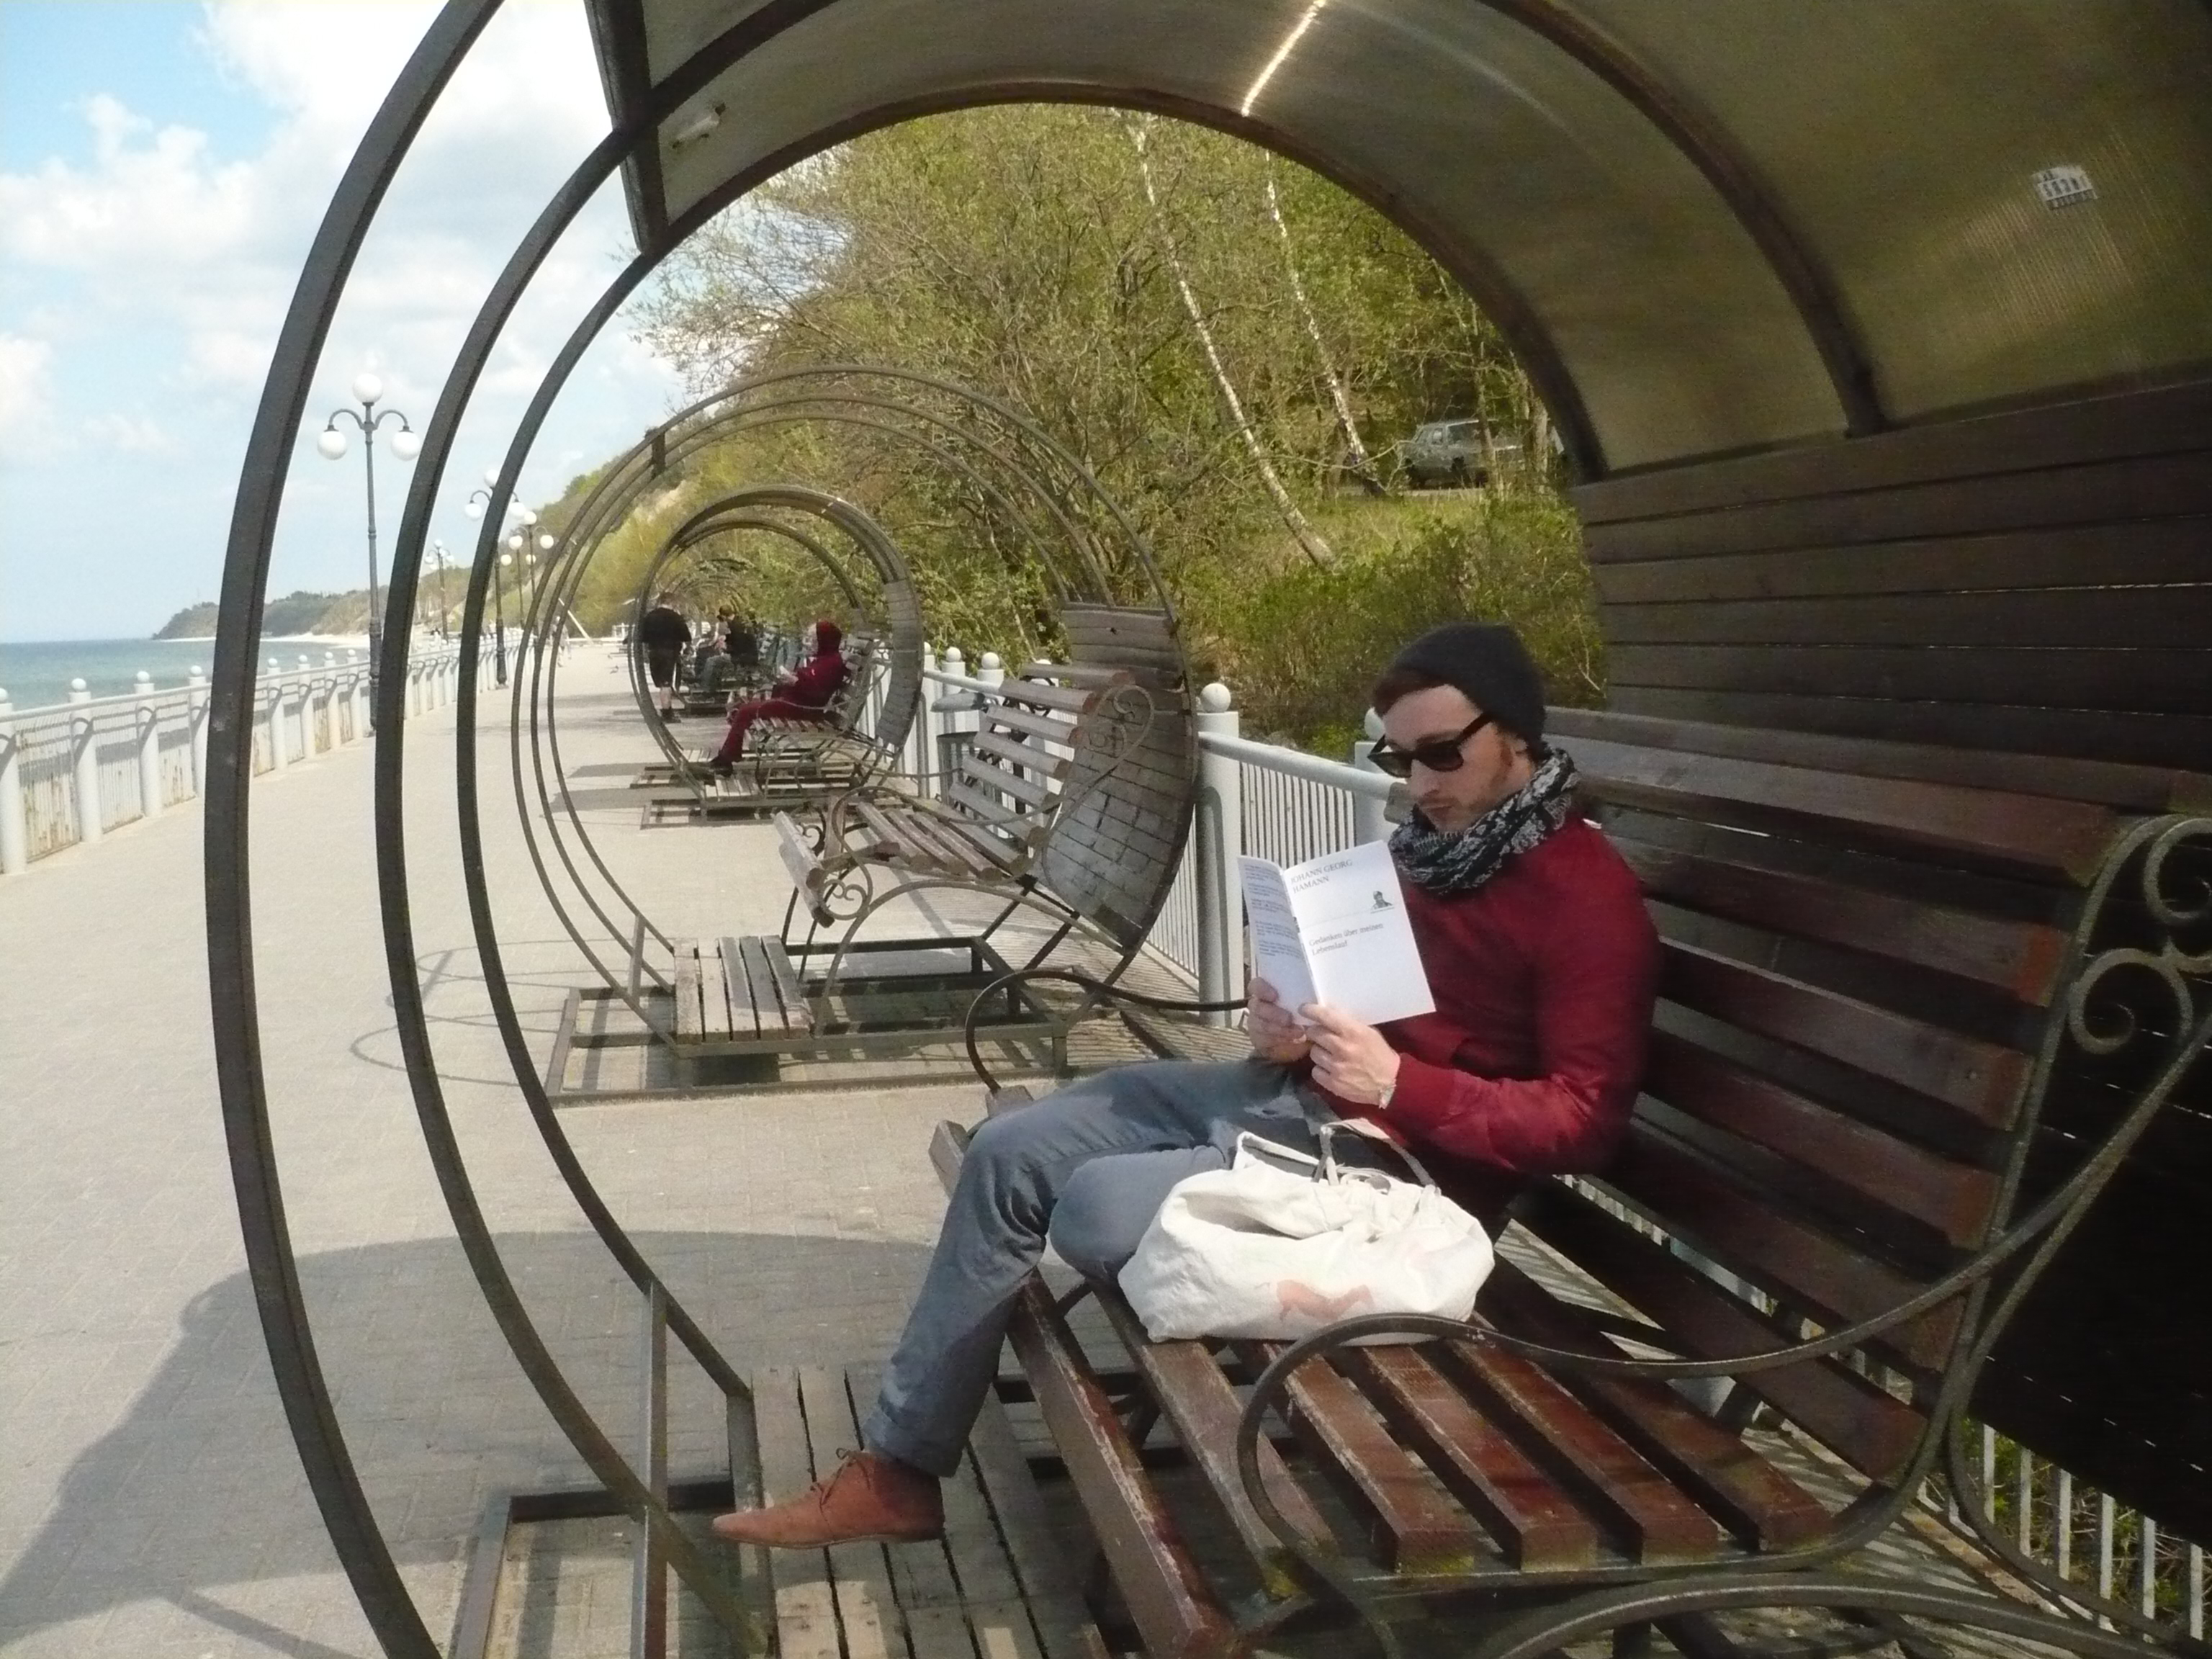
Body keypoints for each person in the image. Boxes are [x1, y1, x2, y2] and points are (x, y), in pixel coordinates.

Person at [710, 621, 1663, 1550]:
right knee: (1008, 1152)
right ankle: (897, 1473)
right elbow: (1358, 997)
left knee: (1092, 1210)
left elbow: (1584, 1123)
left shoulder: (1587, 899)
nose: (1419, 786)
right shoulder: (1425, 851)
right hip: (1295, 1100)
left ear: (1518, 738)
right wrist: (1282, 1019)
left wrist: (1401, 1084)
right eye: (1398, 758)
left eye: (1443, 756)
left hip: (1399, 1177)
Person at [706, 617, 850, 773]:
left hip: (803, 708)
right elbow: (812, 682)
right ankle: (729, 753)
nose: (810, 643)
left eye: (813, 639)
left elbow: (817, 693)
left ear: (824, 640)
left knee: (745, 711)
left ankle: (726, 760)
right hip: (797, 703)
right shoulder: (826, 659)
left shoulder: (830, 663)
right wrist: (793, 679)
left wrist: (795, 681)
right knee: (742, 706)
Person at [636, 593, 691, 719]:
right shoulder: (676, 617)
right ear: (672, 603)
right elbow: (686, 636)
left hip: (654, 652)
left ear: (660, 602)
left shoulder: (650, 617)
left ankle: (666, 708)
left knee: (661, 683)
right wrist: (685, 648)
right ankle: (667, 713)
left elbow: (642, 637)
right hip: (670, 653)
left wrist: (645, 652)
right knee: (666, 684)